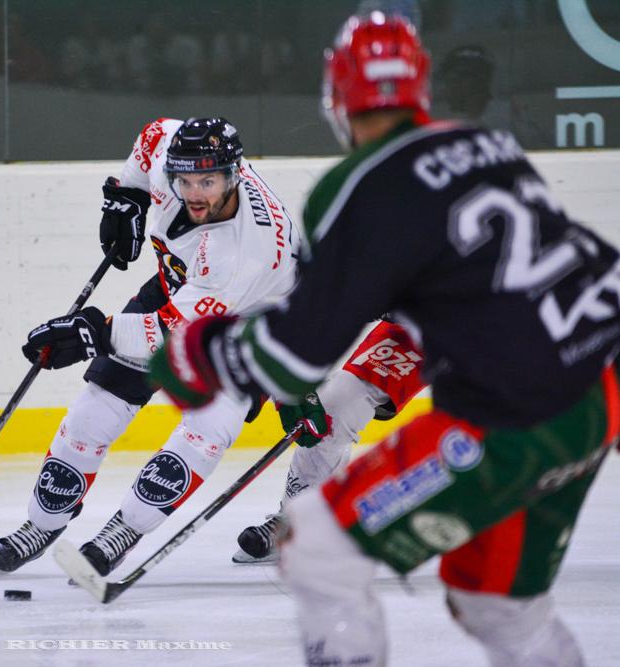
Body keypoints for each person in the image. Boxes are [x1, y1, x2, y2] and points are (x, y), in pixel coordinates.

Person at [148, 13, 618, 666]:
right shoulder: (490, 144)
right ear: (421, 85)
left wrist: (205, 352)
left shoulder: (356, 186)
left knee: (315, 548)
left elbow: (297, 352)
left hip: (517, 414)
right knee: (496, 602)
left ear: (337, 98)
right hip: (600, 382)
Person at [0, 117, 418, 578]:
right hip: (178, 292)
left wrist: (92, 332)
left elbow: (166, 336)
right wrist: (128, 195)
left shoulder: (245, 254)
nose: (194, 193)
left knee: (203, 436)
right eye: (185, 180)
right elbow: (154, 135)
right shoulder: (175, 156)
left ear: (233, 175)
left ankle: (126, 529)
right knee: (95, 410)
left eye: (207, 182)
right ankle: (41, 524)